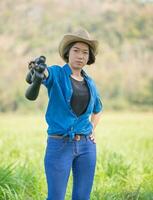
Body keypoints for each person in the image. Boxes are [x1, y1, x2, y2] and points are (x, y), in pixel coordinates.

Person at [25, 28, 103, 200]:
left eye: (85, 52)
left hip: (86, 147)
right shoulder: (57, 74)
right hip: (59, 144)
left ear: (89, 57)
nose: (80, 56)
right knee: (56, 197)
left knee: (82, 197)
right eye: (76, 50)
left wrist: (92, 127)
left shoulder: (90, 83)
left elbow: (97, 109)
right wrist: (39, 71)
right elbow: (46, 74)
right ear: (68, 53)